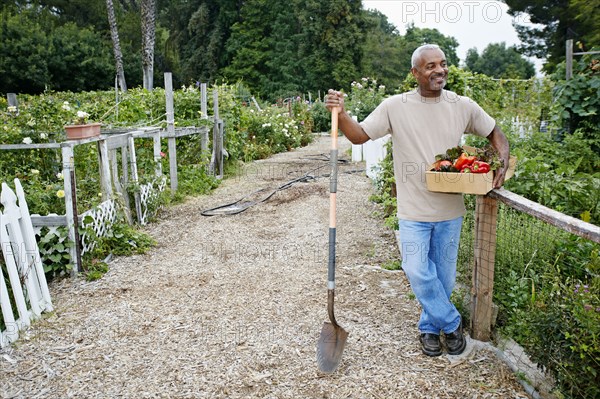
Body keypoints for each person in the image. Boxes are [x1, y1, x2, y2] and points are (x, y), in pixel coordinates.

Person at [325, 44, 510, 357]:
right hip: (413, 210)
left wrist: (502, 158)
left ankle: (429, 328)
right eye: (430, 66)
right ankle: (452, 323)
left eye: (443, 64)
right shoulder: (395, 106)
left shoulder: (461, 105)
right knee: (416, 269)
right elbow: (358, 136)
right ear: (415, 73)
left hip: (451, 211)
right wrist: (341, 114)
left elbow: (494, 132)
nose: (439, 70)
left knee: (444, 278)